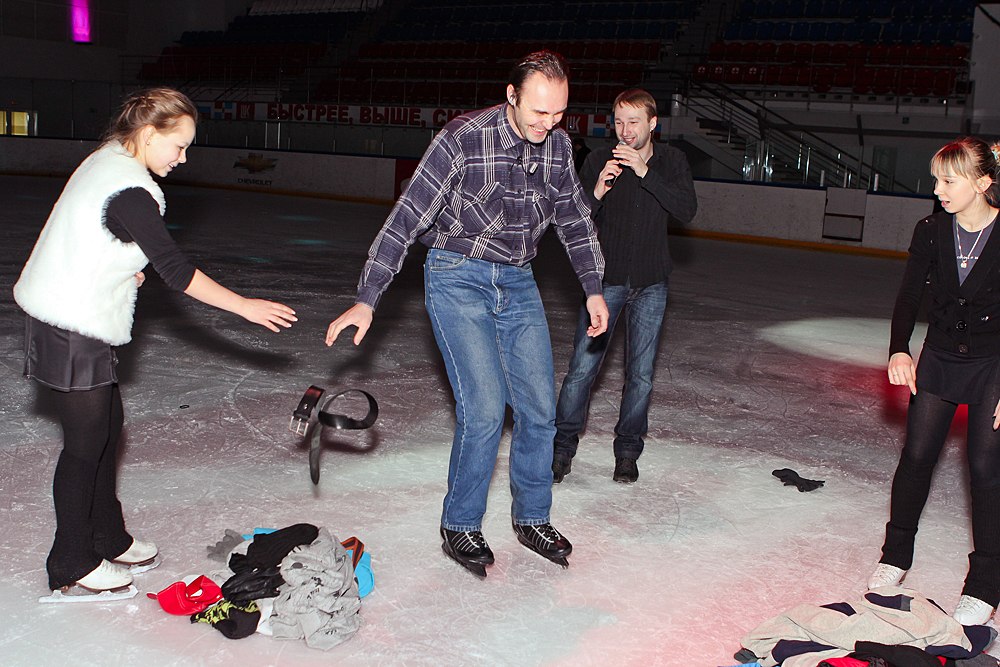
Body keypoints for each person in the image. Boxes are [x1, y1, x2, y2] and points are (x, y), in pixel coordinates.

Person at [325, 51, 608, 577]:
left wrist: (592, 288)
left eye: (558, 113)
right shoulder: (463, 138)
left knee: (539, 410)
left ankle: (533, 517)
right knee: (484, 409)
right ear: (511, 96)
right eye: (539, 112)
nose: (548, 124)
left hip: (518, 280)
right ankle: (460, 524)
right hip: (457, 276)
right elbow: (408, 216)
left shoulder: (558, 147)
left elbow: (574, 219)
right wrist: (368, 297)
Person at [13, 87, 297, 596]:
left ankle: (108, 534)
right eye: (179, 145)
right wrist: (245, 306)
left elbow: (87, 233)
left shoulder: (109, 160)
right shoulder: (131, 190)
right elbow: (175, 269)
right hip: (70, 323)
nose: (182, 158)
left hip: (75, 311)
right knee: (84, 445)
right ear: (148, 134)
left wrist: (120, 267)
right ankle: (71, 559)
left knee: (107, 427)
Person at [867, 136, 1000, 626]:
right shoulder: (930, 230)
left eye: (948, 181)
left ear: (982, 184)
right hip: (941, 356)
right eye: (936, 180)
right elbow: (909, 295)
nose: (938, 190)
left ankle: (985, 582)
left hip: (994, 363)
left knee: (985, 467)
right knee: (917, 456)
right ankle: (895, 555)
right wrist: (899, 348)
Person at [551, 89, 697, 484]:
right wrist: (598, 189)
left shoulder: (673, 161)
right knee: (581, 369)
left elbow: (686, 209)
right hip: (605, 283)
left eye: (633, 121)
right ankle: (561, 448)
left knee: (641, 375)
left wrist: (646, 173)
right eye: (618, 121)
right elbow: (573, 219)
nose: (625, 130)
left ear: (653, 124)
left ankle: (628, 453)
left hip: (651, 283)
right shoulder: (598, 159)